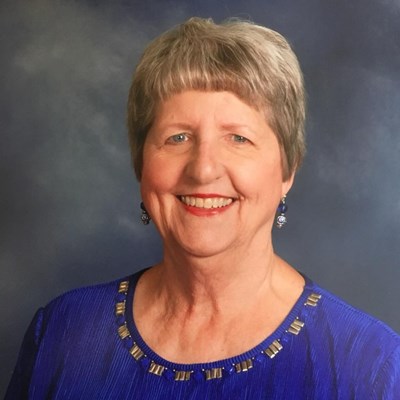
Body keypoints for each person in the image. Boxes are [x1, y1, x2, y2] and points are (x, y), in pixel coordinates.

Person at [6, 17, 400, 399]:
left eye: (238, 139)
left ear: (288, 170)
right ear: (141, 164)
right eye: (177, 137)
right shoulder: (60, 332)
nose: (203, 169)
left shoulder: (370, 366)